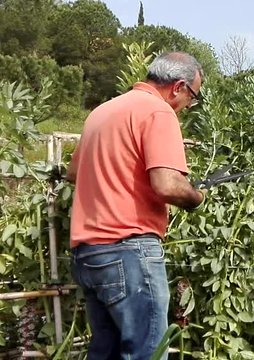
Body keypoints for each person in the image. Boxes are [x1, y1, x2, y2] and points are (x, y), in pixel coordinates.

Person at [65, 52, 206, 360]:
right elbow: (167, 185)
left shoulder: (103, 111)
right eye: (193, 97)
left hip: (88, 254)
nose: (188, 105)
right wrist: (196, 196)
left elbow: (73, 172)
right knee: (147, 353)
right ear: (178, 87)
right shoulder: (158, 111)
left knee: (106, 352)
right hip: (128, 252)